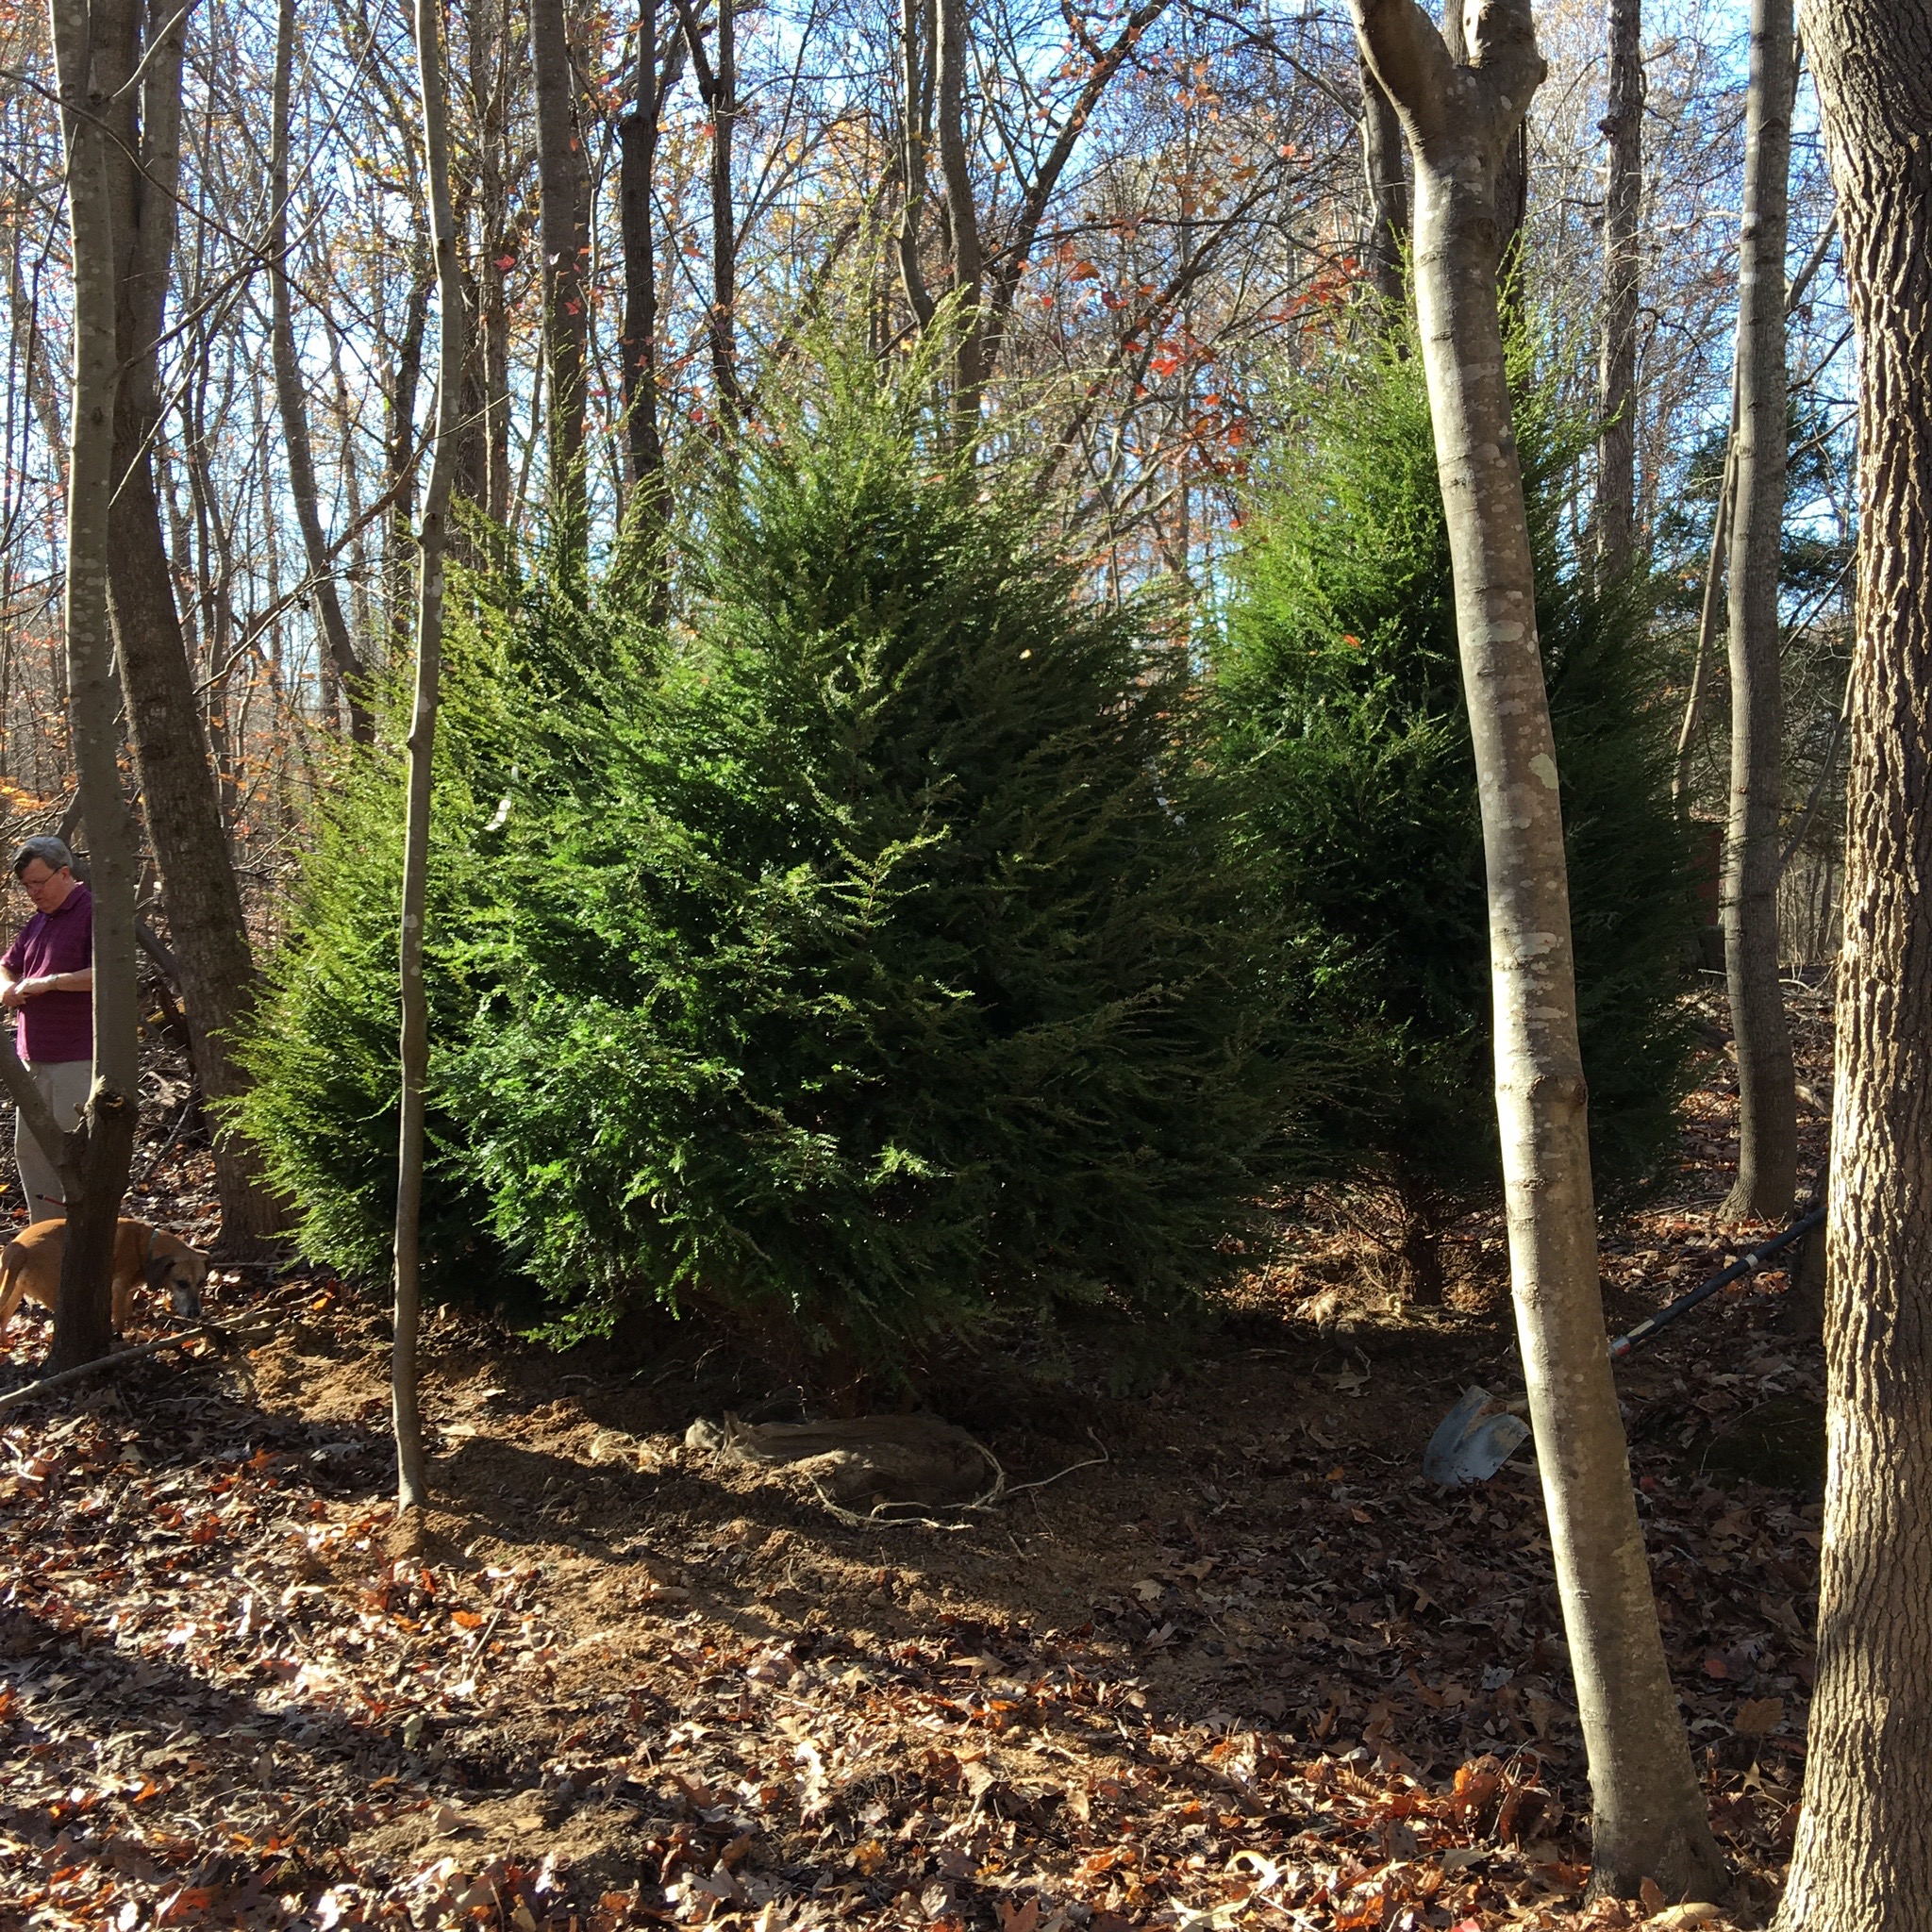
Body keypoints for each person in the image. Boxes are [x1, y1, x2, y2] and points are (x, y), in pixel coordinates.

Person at [0, 837, 93, 1222]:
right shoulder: (40, 920)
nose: (33, 892)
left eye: (39, 882)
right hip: (32, 1056)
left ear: (65, 873)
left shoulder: (92, 912)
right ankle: (46, 1240)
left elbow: (107, 975)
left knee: (71, 1154)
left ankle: (81, 1239)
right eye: (27, 886)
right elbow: (7, 964)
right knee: (30, 1150)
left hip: (77, 1055)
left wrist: (51, 981)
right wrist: (7, 987)